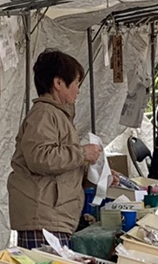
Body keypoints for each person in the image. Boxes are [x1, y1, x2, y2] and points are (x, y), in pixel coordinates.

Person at [7, 47, 102, 247]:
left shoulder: (57, 114)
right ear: (58, 83)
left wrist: (93, 171)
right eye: (76, 83)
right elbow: (41, 158)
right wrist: (82, 152)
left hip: (53, 214)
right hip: (43, 215)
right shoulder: (43, 113)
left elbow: (60, 161)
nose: (78, 89)